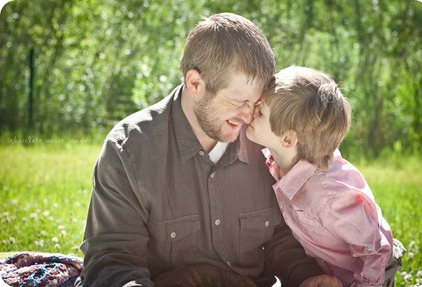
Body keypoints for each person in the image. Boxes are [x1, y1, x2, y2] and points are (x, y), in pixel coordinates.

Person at [75, 13, 342, 287]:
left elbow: (280, 237)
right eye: (238, 101)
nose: (249, 115)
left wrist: (307, 276)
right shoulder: (129, 152)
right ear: (195, 84)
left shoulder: (266, 143)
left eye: (257, 102)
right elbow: (113, 261)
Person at [246, 66, 405, 287]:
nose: (252, 112)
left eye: (261, 112)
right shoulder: (282, 161)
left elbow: (374, 248)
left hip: (370, 275)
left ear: (288, 139)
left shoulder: (329, 195)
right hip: (329, 269)